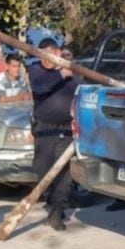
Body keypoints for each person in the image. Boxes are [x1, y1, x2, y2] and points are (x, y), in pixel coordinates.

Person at [28, 38, 77, 231]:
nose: (50, 58)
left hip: (66, 129)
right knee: (42, 170)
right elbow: (40, 87)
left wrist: (67, 73)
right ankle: (51, 202)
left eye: (53, 53)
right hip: (44, 129)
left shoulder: (70, 72)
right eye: (45, 54)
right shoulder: (36, 70)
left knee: (64, 174)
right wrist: (61, 75)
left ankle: (57, 211)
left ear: (57, 53)